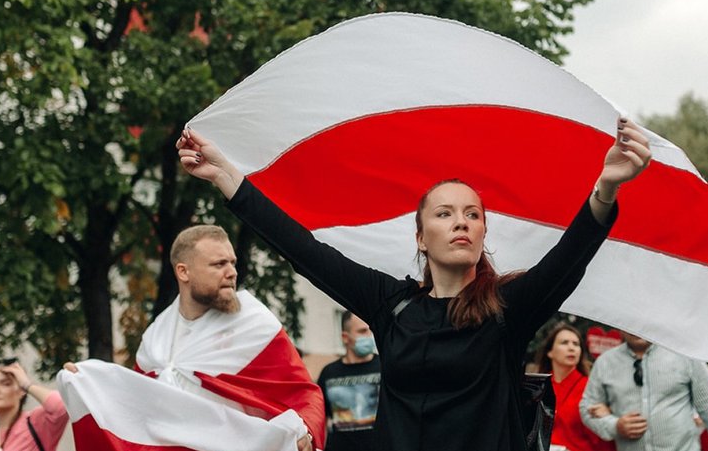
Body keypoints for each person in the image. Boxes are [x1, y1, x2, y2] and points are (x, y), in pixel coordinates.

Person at [175, 114, 651, 451]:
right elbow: (304, 251)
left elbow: (568, 261)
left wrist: (605, 189)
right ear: (422, 237)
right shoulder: (390, 304)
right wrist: (226, 176)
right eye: (445, 214)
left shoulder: (506, 308)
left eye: (472, 214)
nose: (461, 222)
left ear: (483, 233)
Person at [64, 224, 325, 451]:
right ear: (183, 272)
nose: (232, 272)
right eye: (219, 264)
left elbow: (303, 393)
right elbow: (138, 408)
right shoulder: (155, 339)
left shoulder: (256, 325)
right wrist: (90, 380)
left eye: (232, 263)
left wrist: (307, 430)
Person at [579, 332, 708, 451]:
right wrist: (614, 425)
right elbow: (587, 407)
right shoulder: (605, 363)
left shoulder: (684, 356)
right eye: (630, 318)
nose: (636, 325)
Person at [534, 322, 614, 451]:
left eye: (576, 344)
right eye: (564, 343)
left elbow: (603, 439)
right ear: (550, 352)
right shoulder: (537, 386)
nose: (571, 348)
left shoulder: (591, 387)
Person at [317, 311, 381, 451]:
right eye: (362, 331)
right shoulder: (329, 373)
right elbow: (321, 418)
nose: (369, 336)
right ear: (345, 337)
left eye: (370, 331)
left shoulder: (385, 368)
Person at [0, 358, 69, 451]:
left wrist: (27, 384)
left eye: (6, 384)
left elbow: (61, 405)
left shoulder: (35, 422)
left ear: (21, 390)